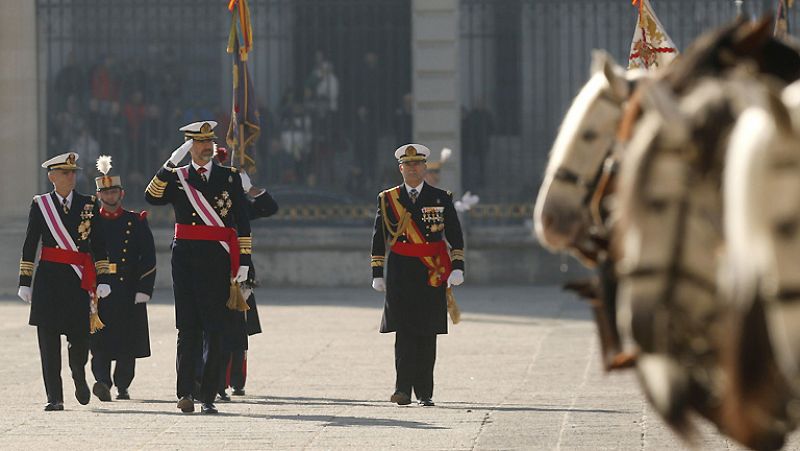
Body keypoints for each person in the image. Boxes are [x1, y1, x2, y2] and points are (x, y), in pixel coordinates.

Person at [144, 121, 252, 414]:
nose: (207, 146)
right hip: (186, 259)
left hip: (218, 259)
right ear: (189, 147)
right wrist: (169, 164)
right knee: (187, 327)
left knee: (214, 328)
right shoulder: (177, 178)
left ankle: (208, 395)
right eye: (200, 142)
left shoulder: (229, 178)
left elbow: (242, 222)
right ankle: (185, 392)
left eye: (209, 141)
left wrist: (244, 261)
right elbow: (151, 197)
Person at [370, 144, 465, 407]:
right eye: (407, 165)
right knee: (403, 330)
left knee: (427, 331)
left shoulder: (441, 197)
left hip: (431, 269)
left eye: (417, 164)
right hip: (400, 270)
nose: (412, 169)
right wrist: (377, 271)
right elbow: (379, 237)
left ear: (424, 168)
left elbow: (455, 234)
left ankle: (425, 391)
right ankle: (402, 389)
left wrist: (458, 267)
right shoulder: (387, 198)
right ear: (400, 168)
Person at [18, 152, 113, 411]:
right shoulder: (40, 205)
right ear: (52, 177)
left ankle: (79, 375)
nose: (71, 176)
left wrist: (103, 278)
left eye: (73, 172)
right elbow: (30, 243)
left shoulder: (89, 204)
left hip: (77, 281)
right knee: (48, 342)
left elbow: (99, 245)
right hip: (48, 280)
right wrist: (24, 281)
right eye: (65, 172)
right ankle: (55, 397)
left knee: (80, 338)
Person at [89, 156, 156, 402]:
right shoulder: (91, 222)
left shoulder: (135, 221)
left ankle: (123, 385)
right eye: (105, 192)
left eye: (114, 191)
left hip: (127, 287)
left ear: (122, 193)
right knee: (99, 339)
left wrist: (144, 287)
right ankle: (102, 382)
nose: (110, 196)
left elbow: (148, 256)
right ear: (98, 195)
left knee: (127, 339)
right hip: (98, 287)